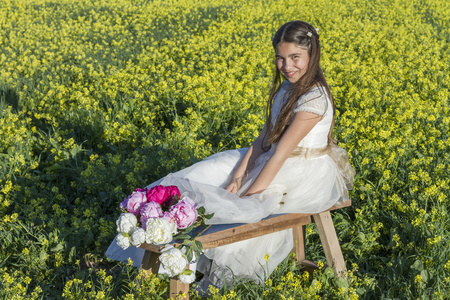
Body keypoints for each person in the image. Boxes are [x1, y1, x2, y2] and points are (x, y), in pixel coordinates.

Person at [106, 20, 354, 292]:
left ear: (312, 55)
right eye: (280, 59)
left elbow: (280, 155)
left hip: (299, 170)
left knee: (239, 208)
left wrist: (248, 195)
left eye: (295, 58)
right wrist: (238, 175)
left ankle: (187, 263)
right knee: (204, 174)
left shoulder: (314, 99)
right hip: (271, 156)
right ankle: (146, 241)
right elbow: (263, 140)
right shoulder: (286, 88)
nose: (287, 66)